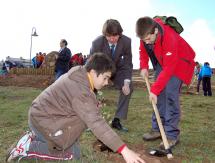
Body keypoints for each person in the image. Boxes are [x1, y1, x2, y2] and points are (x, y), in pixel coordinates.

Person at [6, 53, 145, 163]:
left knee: (76, 147)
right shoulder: (81, 90)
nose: (107, 82)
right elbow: (96, 122)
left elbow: (79, 104)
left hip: (41, 116)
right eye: (105, 78)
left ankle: (35, 138)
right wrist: (124, 150)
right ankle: (27, 148)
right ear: (93, 72)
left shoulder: (79, 75)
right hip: (43, 121)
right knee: (71, 154)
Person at [136, 16, 195, 149]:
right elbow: (143, 51)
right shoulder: (145, 33)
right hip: (163, 62)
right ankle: (157, 129)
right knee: (159, 96)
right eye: (143, 40)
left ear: (155, 31)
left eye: (148, 39)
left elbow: (169, 68)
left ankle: (171, 135)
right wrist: (144, 66)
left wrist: (154, 90)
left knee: (169, 95)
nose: (147, 42)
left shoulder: (170, 37)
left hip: (180, 62)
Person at [90, 19, 133, 132]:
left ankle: (117, 120)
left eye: (115, 36)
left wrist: (126, 83)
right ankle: (91, 121)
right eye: (109, 36)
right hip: (101, 70)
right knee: (90, 90)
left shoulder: (127, 42)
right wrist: (94, 82)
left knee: (129, 87)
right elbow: (91, 65)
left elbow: (128, 63)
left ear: (120, 34)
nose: (113, 39)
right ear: (105, 35)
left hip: (117, 71)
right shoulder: (97, 43)